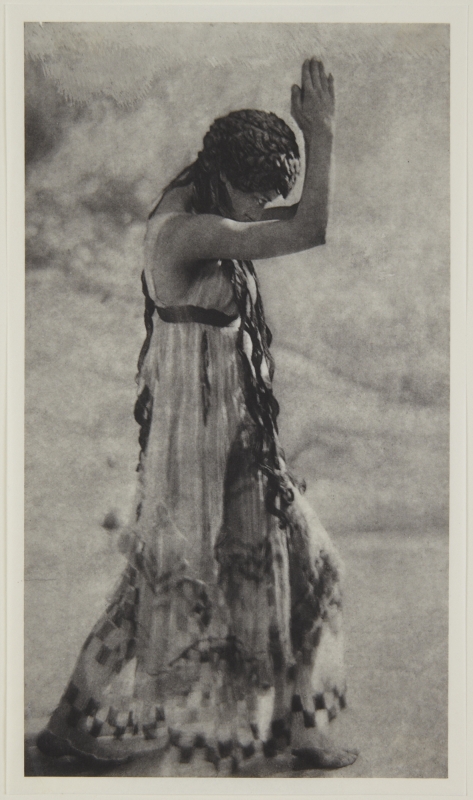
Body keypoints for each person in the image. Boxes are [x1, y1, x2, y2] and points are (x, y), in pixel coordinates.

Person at [37, 58, 357, 773]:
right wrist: (322, 137)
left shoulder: (205, 199)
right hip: (198, 440)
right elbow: (309, 230)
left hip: (232, 430)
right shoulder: (186, 231)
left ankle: (300, 728)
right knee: (167, 584)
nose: (254, 211)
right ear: (220, 178)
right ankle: (78, 724)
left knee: (302, 565)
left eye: (261, 200)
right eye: (250, 198)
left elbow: (289, 220)